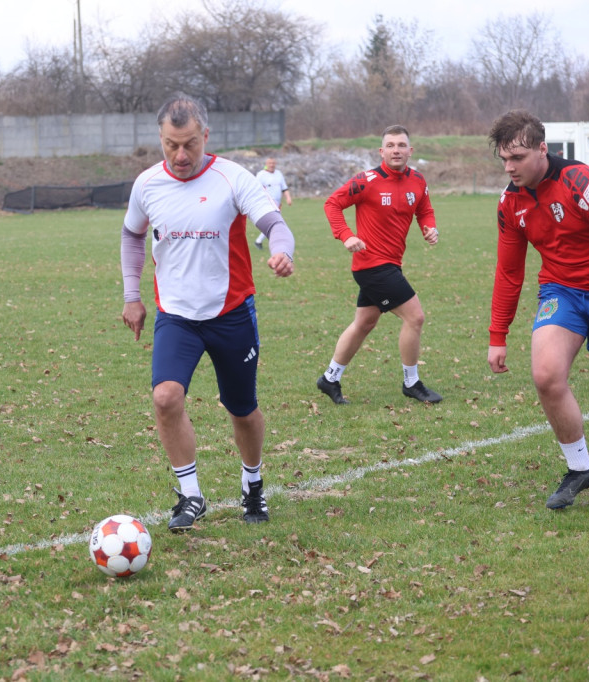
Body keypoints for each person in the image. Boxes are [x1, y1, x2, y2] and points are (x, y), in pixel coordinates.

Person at [120, 94, 296, 532]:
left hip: (231, 313)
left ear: (206, 136)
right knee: (165, 398)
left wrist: (281, 251)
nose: (180, 155)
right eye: (170, 145)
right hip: (176, 316)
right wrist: (131, 296)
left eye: (190, 145)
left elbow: (275, 224)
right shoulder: (146, 185)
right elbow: (131, 237)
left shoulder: (231, 177)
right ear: (160, 139)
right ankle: (190, 494)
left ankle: (252, 482)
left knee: (242, 410)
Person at [486, 110, 589, 510]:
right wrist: (498, 336)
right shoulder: (509, 203)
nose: (510, 167)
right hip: (561, 292)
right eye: (504, 159)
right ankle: (580, 468)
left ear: (542, 149)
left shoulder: (584, 183)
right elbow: (509, 272)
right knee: (546, 375)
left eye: (518, 157)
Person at [316, 125, 442, 406]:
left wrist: (429, 228)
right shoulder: (366, 181)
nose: (396, 150)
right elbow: (332, 203)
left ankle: (330, 378)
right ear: (381, 151)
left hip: (390, 265)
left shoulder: (418, 181)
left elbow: (425, 209)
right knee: (415, 317)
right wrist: (346, 236)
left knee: (364, 323)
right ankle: (412, 382)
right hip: (372, 265)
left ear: (410, 150)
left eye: (401, 145)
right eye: (390, 145)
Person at [253, 157, 292, 250]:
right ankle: (278, 243)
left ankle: (259, 241)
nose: (271, 165)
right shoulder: (261, 175)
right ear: (266, 164)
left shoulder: (278, 174)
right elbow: (256, 189)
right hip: (267, 202)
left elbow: (284, 188)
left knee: (275, 223)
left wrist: (288, 198)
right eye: (270, 163)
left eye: (273, 163)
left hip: (277, 203)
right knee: (276, 222)